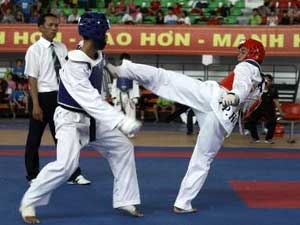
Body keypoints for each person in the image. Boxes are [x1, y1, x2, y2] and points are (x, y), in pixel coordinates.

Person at [107, 38, 266, 213]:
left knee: (166, 78)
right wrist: (237, 100)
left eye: (243, 50)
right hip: (224, 118)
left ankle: (124, 69)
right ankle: (183, 203)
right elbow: (247, 105)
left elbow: (241, 84)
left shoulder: (248, 66)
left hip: (214, 97)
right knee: (203, 159)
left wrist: (235, 95)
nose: (239, 54)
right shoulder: (260, 82)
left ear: (253, 53)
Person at [19, 12, 143, 224]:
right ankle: (29, 202)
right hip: (70, 120)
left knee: (123, 147)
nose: (107, 37)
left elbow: (98, 78)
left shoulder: (93, 52)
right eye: (105, 33)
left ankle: (125, 199)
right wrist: (123, 120)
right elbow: (91, 101)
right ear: (95, 35)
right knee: (66, 165)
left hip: (92, 120)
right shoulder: (76, 63)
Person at [24, 13, 90, 185]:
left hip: (60, 98)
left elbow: (68, 73)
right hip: (41, 97)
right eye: (51, 25)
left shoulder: (62, 48)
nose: (54, 28)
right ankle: (32, 176)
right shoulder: (34, 50)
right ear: (40, 27)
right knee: (34, 139)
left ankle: (73, 173)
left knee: (65, 138)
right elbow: (32, 80)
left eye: (56, 25)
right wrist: (36, 105)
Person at [246, 74, 284, 143]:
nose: (266, 82)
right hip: (258, 108)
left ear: (271, 82)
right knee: (251, 120)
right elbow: (251, 100)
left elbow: (276, 102)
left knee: (273, 122)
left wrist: (281, 112)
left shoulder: (273, 90)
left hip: (269, 109)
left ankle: (268, 139)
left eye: (268, 81)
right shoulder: (257, 88)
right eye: (265, 80)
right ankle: (255, 138)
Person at [111, 53, 140, 138]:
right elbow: (114, 84)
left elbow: (135, 84)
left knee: (130, 114)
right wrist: (114, 97)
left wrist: (135, 97)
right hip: (119, 94)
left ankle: (130, 131)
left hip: (130, 95)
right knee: (117, 113)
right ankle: (117, 131)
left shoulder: (133, 71)